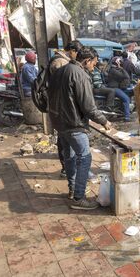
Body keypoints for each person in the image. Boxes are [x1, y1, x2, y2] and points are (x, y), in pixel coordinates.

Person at [48, 47, 112, 209]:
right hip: (73, 123)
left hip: (60, 121)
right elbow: (88, 107)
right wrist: (104, 121)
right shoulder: (80, 74)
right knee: (85, 157)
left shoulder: (60, 71)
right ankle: (78, 198)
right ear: (87, 61)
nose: (94, 67)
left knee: (69, 156)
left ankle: (72, 189)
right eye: (93, 64)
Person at [48, 41, 84, 179]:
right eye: (77, 53)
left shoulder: (62, 61)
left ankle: (69, 170)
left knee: (65, 140)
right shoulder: (60, 63)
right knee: (66, 143)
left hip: (61, 108)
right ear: (72, 51)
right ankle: (67, 169)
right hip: (62, 109)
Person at [107, 57, 132, 122]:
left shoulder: (114, 69)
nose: (121, 63)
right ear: (117, 63)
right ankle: (127, 117)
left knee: (128, 93)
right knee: (126, 99)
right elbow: (125, 76)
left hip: (117, 87)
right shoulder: (113, 70)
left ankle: (122, 112)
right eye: (120, 62)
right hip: (114, 88)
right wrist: (122, 68)